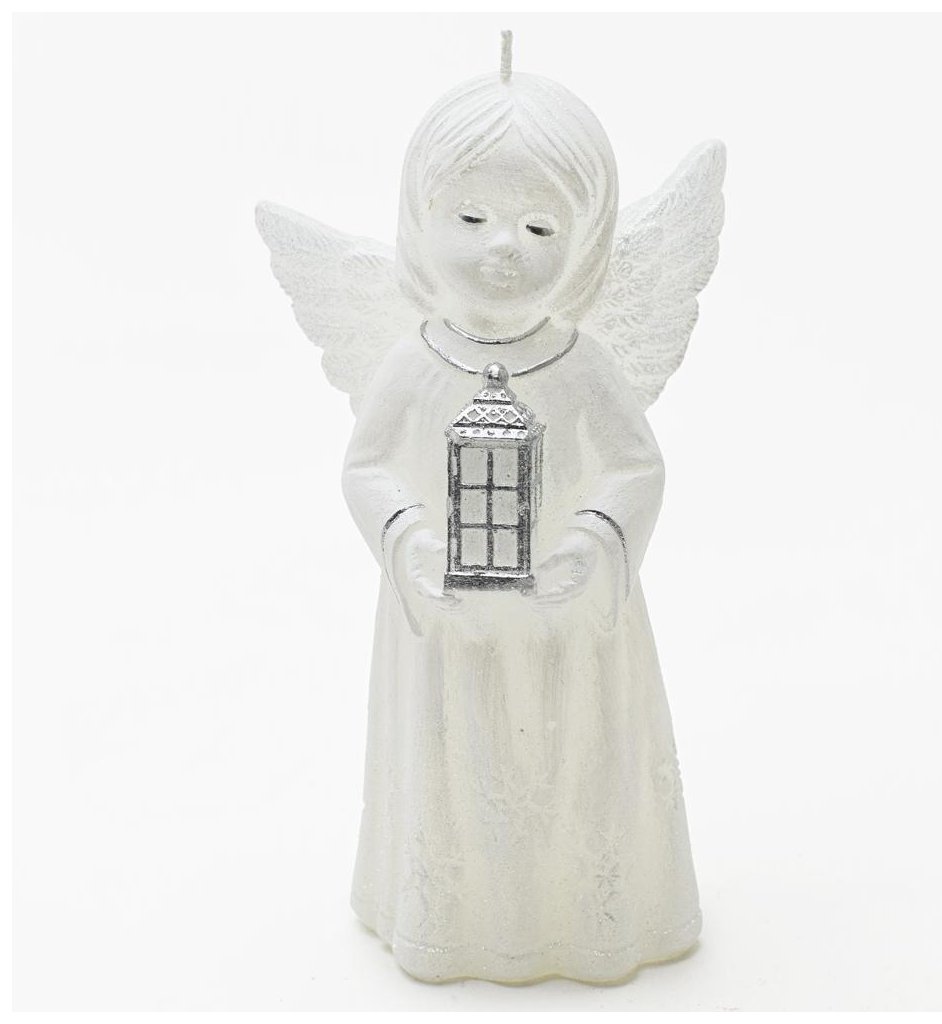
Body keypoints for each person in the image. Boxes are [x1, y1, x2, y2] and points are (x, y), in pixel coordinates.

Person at [340, 59, 703, 983]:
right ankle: (456, 918)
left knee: (571, 760)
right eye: (471, 218)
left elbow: (636, 463)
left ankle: (585, 917)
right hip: (449, 623)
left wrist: (592, 543)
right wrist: (409, 542)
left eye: (540, 226)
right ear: (421, 220)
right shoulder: (414, 362)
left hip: (567, 628)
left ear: (583, 243)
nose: (504, 246)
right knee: (460, 763)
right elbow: (366, 466)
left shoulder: (580, 362)